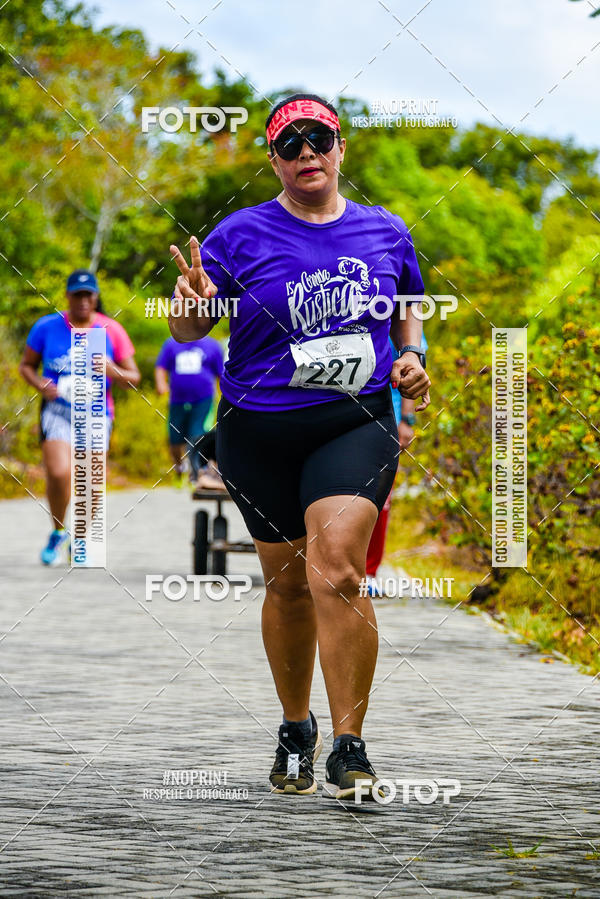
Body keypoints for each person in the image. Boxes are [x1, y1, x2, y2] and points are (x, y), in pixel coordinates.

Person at [168, 93, 430, 801]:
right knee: (286, 584)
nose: (307, 152)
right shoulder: (237, 235)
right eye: (290, 144)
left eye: (319, 138)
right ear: (274, 160)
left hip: (354, 420)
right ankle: (295, 727)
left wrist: (412, 357)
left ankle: (350, 744)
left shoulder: (385, 231)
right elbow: (191, 329)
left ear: (341, 148)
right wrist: (189, 308)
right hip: (259, 429)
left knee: (336, 569)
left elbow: (408, 306)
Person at [19, 269, 140, 564]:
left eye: (88, 295)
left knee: (91, 479)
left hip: (97, 412)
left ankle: (81, 538)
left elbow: (134, 378)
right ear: (67, 296)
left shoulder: (111, 330)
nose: (83, 300)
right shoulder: (47, 327)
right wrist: (40, 384)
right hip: (58, 411)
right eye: (77, 295)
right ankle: (58, 531)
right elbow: (26, 366)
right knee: (60, 472)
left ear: (96, 297)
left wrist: (113, 370)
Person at [365, 335, 429, 594]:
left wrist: (406, 420)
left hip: (387, 417)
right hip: (344, 412)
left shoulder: (403, 323)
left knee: (380, 498)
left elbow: (412, 371)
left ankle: (369, 571)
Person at [154, 335, 224, 484]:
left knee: (197, 435)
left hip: (203, 400)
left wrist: (226, 397)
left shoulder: (212, 345)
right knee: (174, 439)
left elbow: (221, 374)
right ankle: (179, 468)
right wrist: (161, 384)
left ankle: (197, 473)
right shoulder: (171, 344)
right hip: (177, 401)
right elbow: (161, 367)